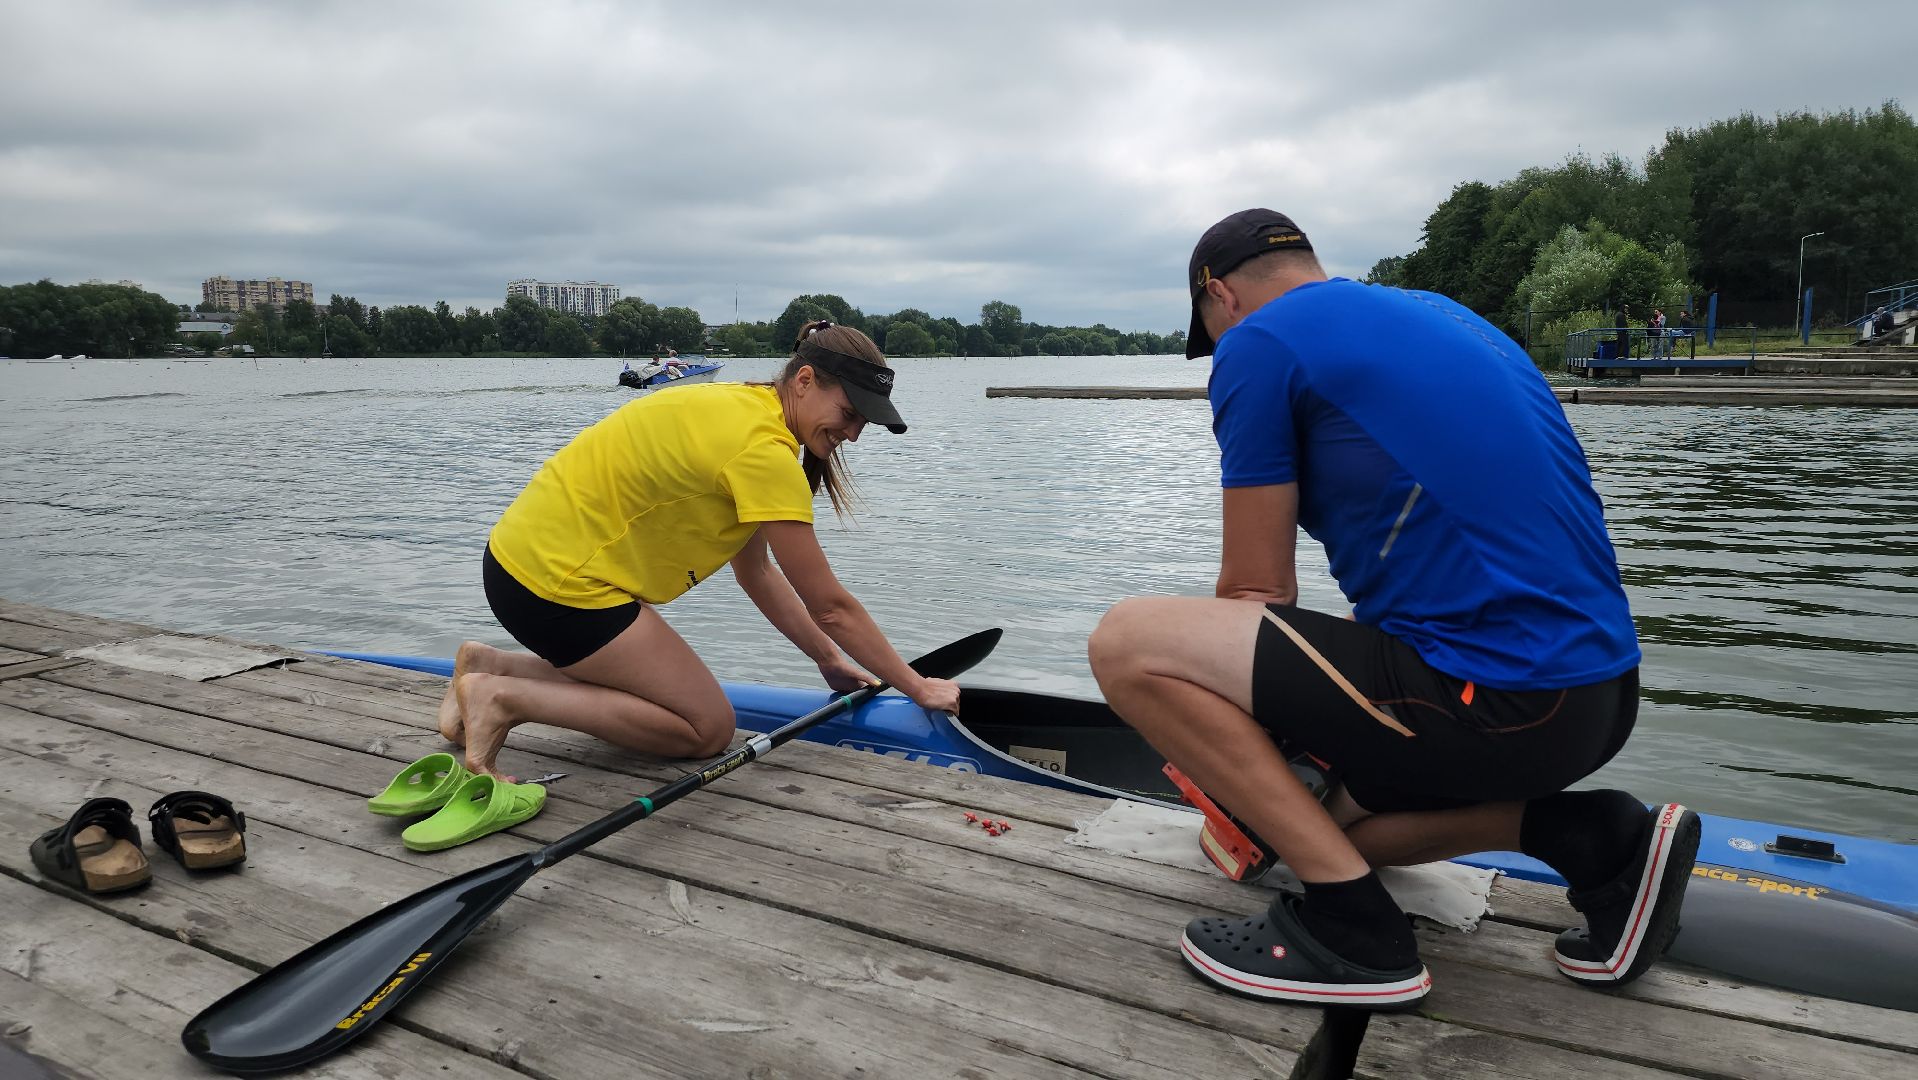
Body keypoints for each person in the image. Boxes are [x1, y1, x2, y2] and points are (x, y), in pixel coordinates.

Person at [1088, 209, 1699, 1009]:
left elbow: (1256, 593)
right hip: (1595, 697)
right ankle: (1596, 839)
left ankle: (1354, 932)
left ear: (1219, 294)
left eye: (1207, 328)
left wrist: (1235, 764)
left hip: (1502, 698)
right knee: (1327, 832)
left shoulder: (1258, 343)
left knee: (1128, 642)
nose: (1216, 346)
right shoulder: (1444, 315)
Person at [437, 320, 962, 778]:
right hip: (557, 587)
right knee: (705, 727)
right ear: (804, 381)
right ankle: (501, 697)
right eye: (849, 414)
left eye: (863, 423)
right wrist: (917, 687)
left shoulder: (746, 406)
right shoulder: (765, 453)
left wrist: (828, 660)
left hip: (516, 562)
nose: (853, 435)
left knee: (675, 700)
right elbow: (830, 606)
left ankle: (490, 665)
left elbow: (755, 571)